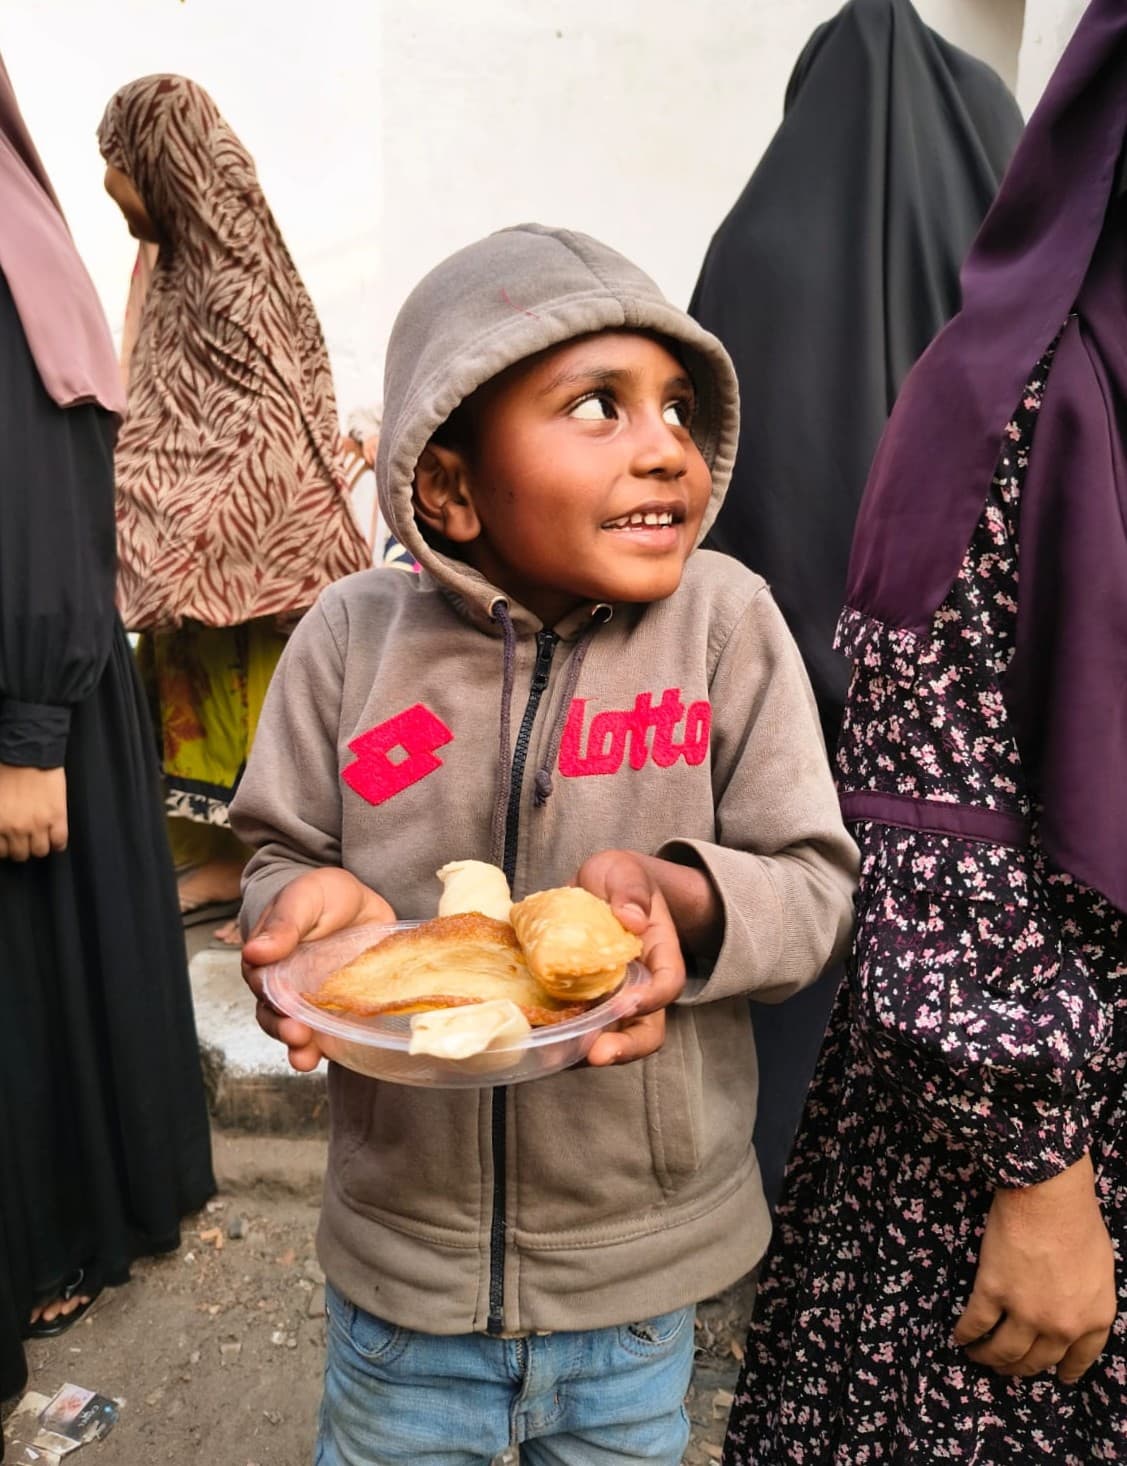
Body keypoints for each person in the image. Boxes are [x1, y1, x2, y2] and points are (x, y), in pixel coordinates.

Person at [232, 223, 858, 1464]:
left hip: (633, 1276)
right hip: (404, 1280)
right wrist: (303, 905)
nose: (662, 445)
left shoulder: (725, 625)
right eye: (595, 405)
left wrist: (687, 901)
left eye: (677, 407)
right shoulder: (352, 639)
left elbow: (813, 882)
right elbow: (276, 848)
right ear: (452, 485)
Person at [724, 1, 1127, 1460]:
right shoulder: (1008, 391)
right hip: (1004, 1062)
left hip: (826, 764)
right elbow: (932, 785)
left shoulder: (758, 246)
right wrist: (1034, 1161)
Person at [688, 0, 1024, 1217]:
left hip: (791, 708)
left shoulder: (750, 248)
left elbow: (714, 485)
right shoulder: (1015, 251)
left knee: (801, 933)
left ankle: (782, 1197)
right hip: (980, 736)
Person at [0, 53, 214, 1432]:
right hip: (62, 667)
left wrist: (29, 726)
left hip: (40, 684)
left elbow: (38, 498)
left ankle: (60, 1242)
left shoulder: (11, 251)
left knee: (40, 989)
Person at [98, 75, 370, 941]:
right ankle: (214, 858)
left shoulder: (234, 275)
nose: (114, 193)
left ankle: (249, 864)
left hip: (247, 567)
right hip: (195, 557)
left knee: (246, 708)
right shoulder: (179, 263)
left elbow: (267, 422)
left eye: (121, 172)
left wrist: (187, 529)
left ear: (163, 165)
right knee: (184, 704)